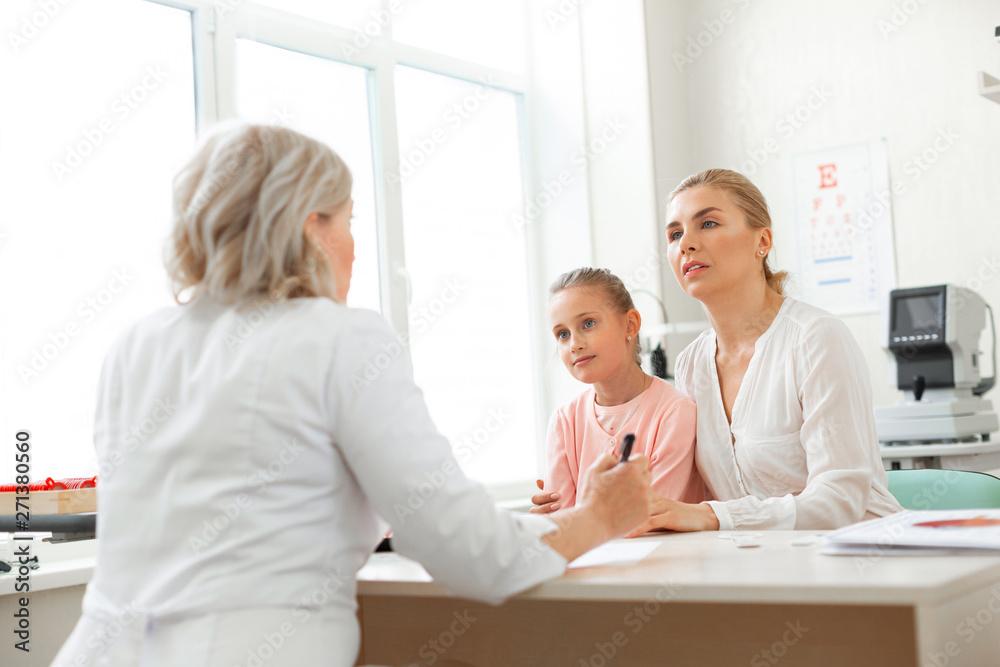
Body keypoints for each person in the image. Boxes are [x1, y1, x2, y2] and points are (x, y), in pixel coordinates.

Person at [52, 123, 652, 666]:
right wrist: (598, 516)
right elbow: (471, 553)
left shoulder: (136, 344)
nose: (355, 246)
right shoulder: (339, 337)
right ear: (309, 227)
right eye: (348, 221)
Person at [627, 168, 903, 533]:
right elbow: (696, 494)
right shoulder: (691, 364)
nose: (686, 243)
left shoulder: (816, 339)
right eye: (675, 233)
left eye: (707, 224)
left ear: (762, 241)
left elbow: (841, 500)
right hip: (765, 569)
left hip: (865, 562)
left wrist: (713, 517)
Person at [530, 268, 704, 516]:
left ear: (630, 324)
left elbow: (646, 519)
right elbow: (563, 529)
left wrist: (575, 519)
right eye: (563, 334)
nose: (574, 344)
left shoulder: (674, 413)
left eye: (588, 323)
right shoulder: (563, 422)